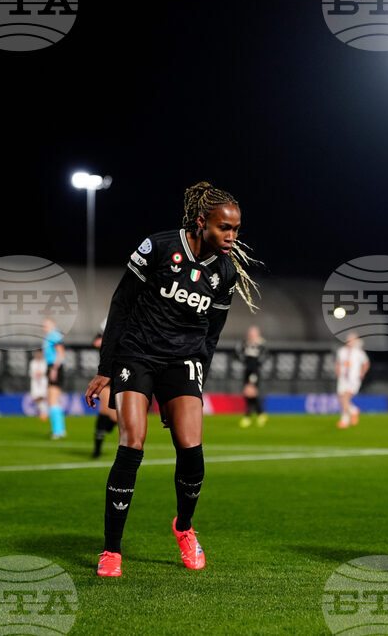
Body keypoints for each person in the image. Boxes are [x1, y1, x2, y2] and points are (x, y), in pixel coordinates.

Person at [84, 181, 260, 578]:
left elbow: (210, 337)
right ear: (202, 222)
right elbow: (121, 302)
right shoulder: (159, 248)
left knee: (192, 451)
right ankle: (111, 550)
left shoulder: (225, 273)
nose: (231, 236)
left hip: (183, 362)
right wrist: (105, 368)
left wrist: (192, 390)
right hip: (137, 354)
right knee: (132, 445)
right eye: (224, 228)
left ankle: (184, 526)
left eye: (236, 229)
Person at [91, 321, 118, 457]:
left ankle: (104, 429)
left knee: (115, 417)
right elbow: (96, 342)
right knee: (104, 410)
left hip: (121, 376)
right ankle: (97, 449)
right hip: (107, 377)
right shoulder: (105, 330)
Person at [335, 332, 369, 428]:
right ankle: (353, 411)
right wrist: (337, 371)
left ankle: (345, 420)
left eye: (352, 339)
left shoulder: (359, 352)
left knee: (345, 397)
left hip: (353, 379)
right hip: (343, 378)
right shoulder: (341, 351)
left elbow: (366, 363)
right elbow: (338, 362)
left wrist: (362, 373)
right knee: (342, 399)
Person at [236, 325, 267, 428]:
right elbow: (238, 353)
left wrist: (257, 364)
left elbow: (264, 357)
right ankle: (260, 413)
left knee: (250, 392)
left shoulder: (261, 345)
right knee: (249, 393)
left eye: (254, 334)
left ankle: (248, 417)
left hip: (254, 371)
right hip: (247, 371)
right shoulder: (245, 344)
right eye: (250, 333)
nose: (252, 336)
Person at [42, 318, 66, 439]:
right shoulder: (50, 336)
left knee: (53, 400)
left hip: (55, 367)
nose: (44, 327)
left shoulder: (54, 335)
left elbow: (61, 352)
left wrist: (54, 369)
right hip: (51, 367)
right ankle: (59, 429)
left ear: (53, 325)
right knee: (52, 400)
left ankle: (58, 431)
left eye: (46, 325)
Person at [28, 349, 48, 421]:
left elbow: (46, 372)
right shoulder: (33, 363)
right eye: (38, 353)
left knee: (42, 396)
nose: (39, 355)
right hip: (35, 383)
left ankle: (44, 413)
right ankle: (43, 412)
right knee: (35, 398)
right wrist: (36, 374)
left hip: (43, 383)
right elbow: (31, 373)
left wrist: (41, 373)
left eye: (40, 353)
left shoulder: (45, 362)